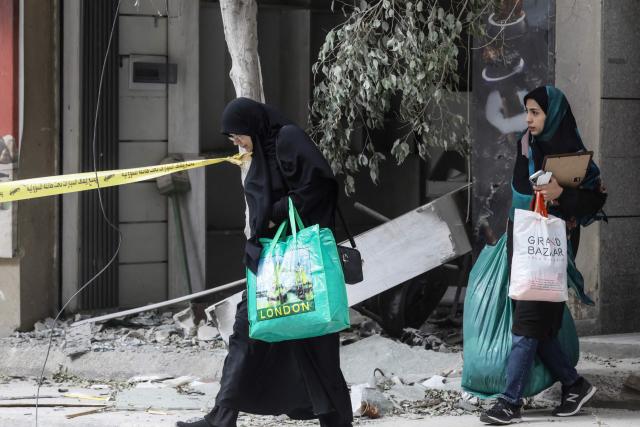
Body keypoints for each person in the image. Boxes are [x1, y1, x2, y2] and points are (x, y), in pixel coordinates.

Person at [177, 98, 352, 427]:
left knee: (317, 348)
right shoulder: (262, 151)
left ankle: (336, 422)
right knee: (245, 332)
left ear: (253, 126)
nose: (236, 142)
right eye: (232, 138)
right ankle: (222, 415)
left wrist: (274, 213)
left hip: (301, 264)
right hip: (271, 263)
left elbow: (320, 185)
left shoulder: (287, 138)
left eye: (237, 135)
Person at [480, 86, 607, 425]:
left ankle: (510, 400)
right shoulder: (526, 144)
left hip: (554, 247)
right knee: (539, 326)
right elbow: (520, 194)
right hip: (522, 241)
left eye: (536, 112)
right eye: (527, 111)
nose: (529, 119)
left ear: (554, 115)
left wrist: (561, 193)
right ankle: (574, 384)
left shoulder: (573, 154)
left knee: (527, 323)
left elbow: (595, 200)